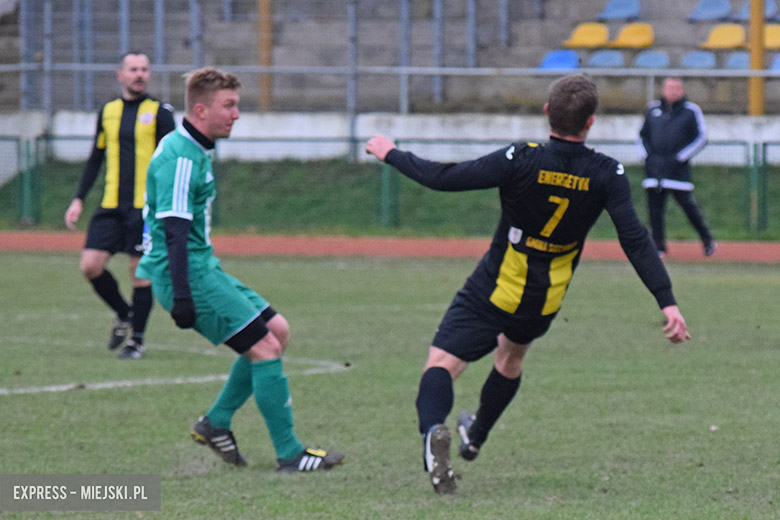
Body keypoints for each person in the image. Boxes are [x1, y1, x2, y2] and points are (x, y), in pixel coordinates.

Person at [365, 74, 691, 495]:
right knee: (511, 357)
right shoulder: (606, 172)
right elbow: (634, 238)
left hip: (497, 284)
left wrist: (391, 153)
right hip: (544, 296)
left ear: (546, 113)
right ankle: (476, 435)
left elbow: (445, 178)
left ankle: (433, 433)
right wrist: (667, 302)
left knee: (442, 364)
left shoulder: (521, 157)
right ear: (590, 122)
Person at [136, 67, 345, 472]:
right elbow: (175, 232)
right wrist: (181, 296)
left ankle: (215, 423)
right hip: (187, 273)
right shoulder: (180, 157)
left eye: (236, 105)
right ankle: (290, 453)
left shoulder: (194, 149)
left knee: (277, 332)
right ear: (200, 109)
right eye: (228, 105)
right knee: (265, 348)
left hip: (200, 266)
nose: (236, 114)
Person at [64, 51, 175, 359]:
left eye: (144, 69)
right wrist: (78, 199)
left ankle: (136, 342)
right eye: (133, 69)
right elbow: (95, 157)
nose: (139, 74)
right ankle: (124, 313)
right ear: (120, 74)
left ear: (149, 75)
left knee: (139, 272)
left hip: (145, 208)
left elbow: (172, 159)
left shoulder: (160, 113)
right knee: (90, 266)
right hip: (110, 205)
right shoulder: (108, 112)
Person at [639, 76, 715, 257]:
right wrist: (647, 157)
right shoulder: (652, 109)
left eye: (677, 88)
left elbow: (701, 138)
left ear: (682, 90)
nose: (673, 91)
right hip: (655, 169)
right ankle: (659, 246)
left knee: (688, 207)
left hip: (677, 171)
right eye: (669, 87)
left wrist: (680, 157)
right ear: (663, 89)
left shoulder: (691, 111)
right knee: (655, 210)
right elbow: (642, 135)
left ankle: (707, 239)